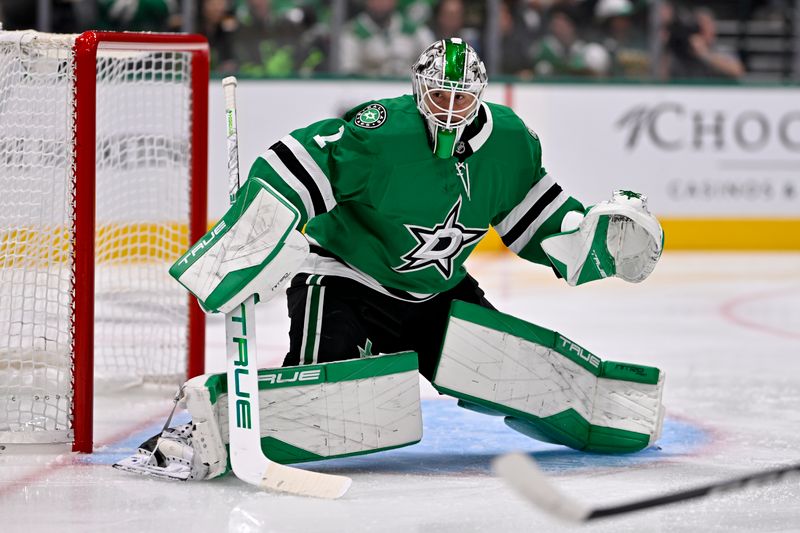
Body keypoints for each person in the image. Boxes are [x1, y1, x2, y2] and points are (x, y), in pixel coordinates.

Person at [115, 38, 666, 482]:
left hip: (437, 292)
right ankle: (197, 430)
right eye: (437, 96)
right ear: (417, 90)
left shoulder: (512, 143)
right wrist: (256, 238)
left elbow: (539, 221)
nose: (449, 109)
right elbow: (297, 160)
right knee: (327, 399)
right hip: (345, 279)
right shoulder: (384, 132)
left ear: (481, 96)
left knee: (510, 365)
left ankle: (603, 410)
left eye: (461, 98)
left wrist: (590, 237)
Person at [339, 0, 434, 76]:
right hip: (369, 91)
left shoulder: (415, 29)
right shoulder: (353, 31)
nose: (381, 3)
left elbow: (433, 62)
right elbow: (349, 71)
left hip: (408, 89)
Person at [665, 6, 745, 80]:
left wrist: (704, 54)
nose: (705, 30)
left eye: (708, 25)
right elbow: (663, 77)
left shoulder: (722, 51)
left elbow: (738, 71)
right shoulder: (681, 53)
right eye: (701, 26)